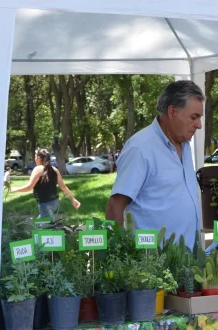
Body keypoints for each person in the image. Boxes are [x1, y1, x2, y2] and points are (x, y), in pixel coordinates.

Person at [105, 80, 203, 248]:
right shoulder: (140, 148)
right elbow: (115, 206)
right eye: (194, 117)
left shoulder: (184, 144)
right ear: (172, 112)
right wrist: (121, 254)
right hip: (155, 265)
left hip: (189, 261)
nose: (199, 125)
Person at [12, 149, 81, 218]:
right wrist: (73, 199)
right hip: (55, 202)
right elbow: (63, 187)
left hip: (45, 204)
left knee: (41, 226)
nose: (35, 158)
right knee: (46, 222)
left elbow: (29, 187)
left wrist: (15, 189)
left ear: (39, 158)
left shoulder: (38, 169)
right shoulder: (54, 169)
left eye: (35, 156)